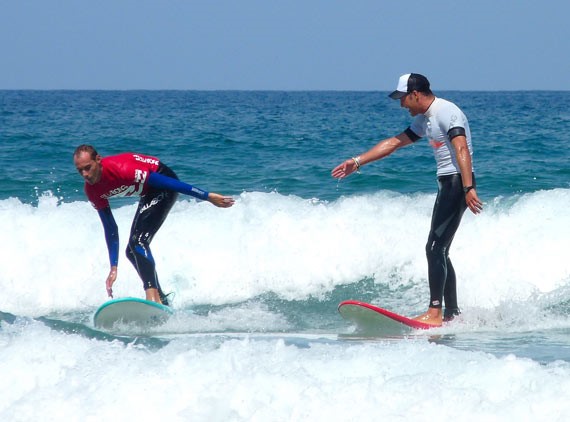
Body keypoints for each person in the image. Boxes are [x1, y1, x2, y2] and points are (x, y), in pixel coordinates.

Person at [331, 73, 483, 326]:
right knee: (440, 250)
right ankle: (453, 313)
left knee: (434, 248)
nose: (402, 105)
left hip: (457, 182)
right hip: (448, 183)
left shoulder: (447, 111)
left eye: (403, 99)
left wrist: (468, 188)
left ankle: (435, 313)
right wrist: (357, 162)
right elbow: (393, 143)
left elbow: (461, 149)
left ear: (415, 94)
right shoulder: (426, 119)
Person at [73, 145, 235, 306]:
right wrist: (113, 267)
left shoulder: (122, 169)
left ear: (98, 160)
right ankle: (162, 300)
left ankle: (152, 297)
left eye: (88, 168)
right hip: (148, 192)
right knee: (131, 251)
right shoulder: (92, 190)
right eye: (80, 170)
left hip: (164, 184)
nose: (85, 174)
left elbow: (169, 182)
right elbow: (110, 227)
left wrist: (206, 196)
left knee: (139, 242)